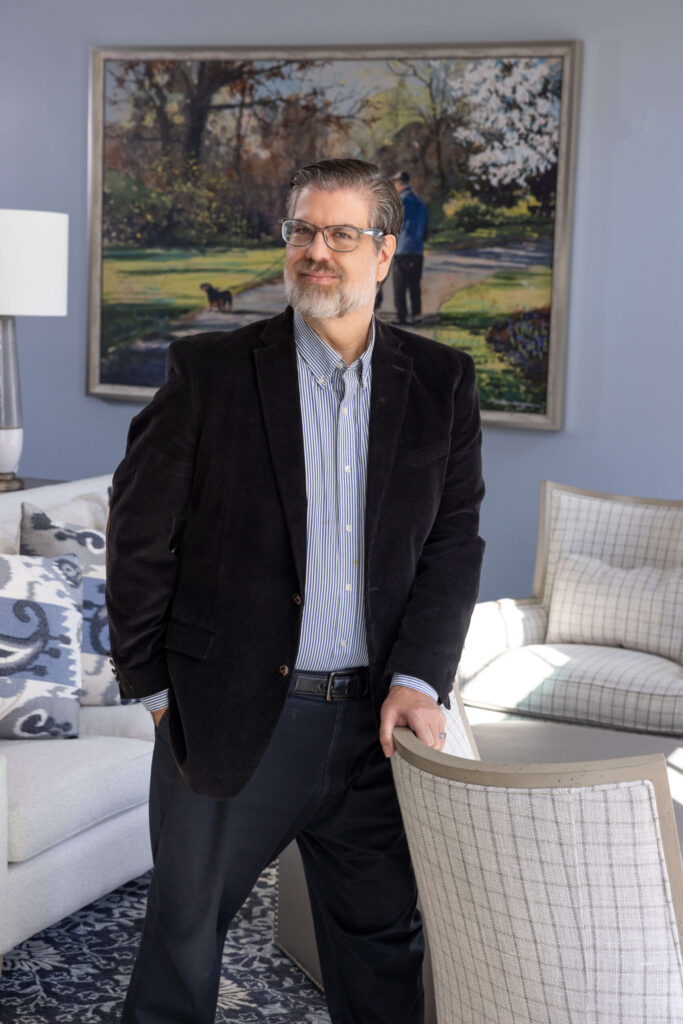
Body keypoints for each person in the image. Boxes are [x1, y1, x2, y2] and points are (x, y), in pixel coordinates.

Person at [105, 157, 485, 1024]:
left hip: (375, 731)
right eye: (301, 231)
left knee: (383, 942)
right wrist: (156, 688)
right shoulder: (208, 374)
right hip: (231, 715)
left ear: (385, 253)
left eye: (341, 233)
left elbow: (453, 542)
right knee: (183, 939)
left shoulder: (440, 384)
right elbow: (137, 537)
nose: (316, 251)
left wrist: (418, 677)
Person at [391, 170, 428, 325]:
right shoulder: (420, 203)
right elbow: (426, 228)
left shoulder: (398, 203)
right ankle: (417, 315)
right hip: (417, 250)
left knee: (399, 285)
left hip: (401, 250)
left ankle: (402, 316)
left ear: (399, 183)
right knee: (414, 284)